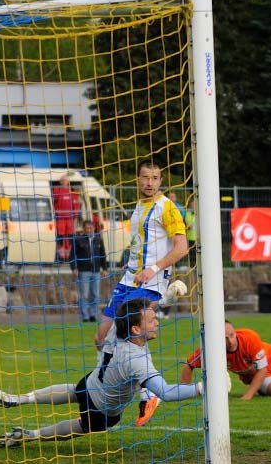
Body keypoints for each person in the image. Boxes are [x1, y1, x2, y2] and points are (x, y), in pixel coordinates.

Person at [0, 298, 203, 448]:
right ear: (136, 329)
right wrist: (201, 388)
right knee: (81, 426)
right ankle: (29, 436)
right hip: (103, 410)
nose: (157, 322)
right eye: (151, 320)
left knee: (73, 390)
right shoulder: (137, 361)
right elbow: (165, 392)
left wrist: (168, 297)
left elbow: (134, 312)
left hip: (90, 383)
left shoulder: (115, 331)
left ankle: (17, 398)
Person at [95, 160, 187, 426]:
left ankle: (148, 393)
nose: (150, 182)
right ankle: (133, 387)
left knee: (124, 337)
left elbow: (181, 247)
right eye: (145, 177)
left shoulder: (167, 208)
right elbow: (141, 244)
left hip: (150, 282)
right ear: (137, 179)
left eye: (155, 178)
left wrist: (153, 268)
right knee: (101, 337)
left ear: (161, 180)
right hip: (129, 279)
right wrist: (131, 264)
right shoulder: (138, 207)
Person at [71, 220, 109, 323]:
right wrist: (74, 268)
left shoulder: (98, 240)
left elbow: (103, 255)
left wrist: (104, 268)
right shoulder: (78, 240)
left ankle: (93, 314)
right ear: (84, 229)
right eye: (87, 228)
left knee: (95, 293)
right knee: (84, 294)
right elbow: (72, 255)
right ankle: (85, 316)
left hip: (96, 270)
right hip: (83, 271)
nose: (89, 230)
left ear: (94, 228)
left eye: (91, 228)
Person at [52, 174, 80, 261]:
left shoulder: (73, 191)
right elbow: (53, 202)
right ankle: (61, 256)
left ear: (68, 182)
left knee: (70, 237)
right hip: (60, 218)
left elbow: (76, 205)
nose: (64, 182)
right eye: (62, 180)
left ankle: (69, 256)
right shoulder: (56, 190)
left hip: (70, 219)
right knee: (60, 236)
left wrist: (76, 216)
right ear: (60, 182)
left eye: (65, 180)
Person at [184, 197, 196, 268]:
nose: (193, 206)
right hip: (190, 237)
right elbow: (186, 224)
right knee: (191, 253)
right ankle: (192, 266)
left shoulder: (200, 213)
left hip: (199, 237)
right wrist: (188, 226)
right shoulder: (187, 214)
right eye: (192, 205)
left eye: (194, 204)